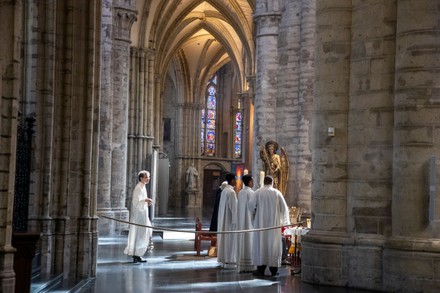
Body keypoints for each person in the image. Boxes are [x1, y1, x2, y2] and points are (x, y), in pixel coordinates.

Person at [249, 175, 290, 277]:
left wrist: (254, 218)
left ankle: (261, 270)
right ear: (272, 182)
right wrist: (284, 222)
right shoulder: (277, 193)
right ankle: (274, 271)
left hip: (261, 224)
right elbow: (284, 208)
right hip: (274, 225)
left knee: (261, 244)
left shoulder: (258, 192)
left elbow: (250, 206)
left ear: (264, 182)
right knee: (273, 245)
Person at [124, 170, 154, 263]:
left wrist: (146, 201)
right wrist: (145, 200)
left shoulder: (142, 186)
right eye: (146, 177)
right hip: (139, 215)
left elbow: (142, 200)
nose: (148, 179)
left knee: (145, 231)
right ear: (141, 178)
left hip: (143, 213)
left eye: (148, 177)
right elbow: (136, 202)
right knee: (140, 233)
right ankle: (136, 254)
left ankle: (138, 254)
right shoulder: (138, 187)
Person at [217, 173, 238, 269]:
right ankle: (230, 258)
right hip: (230, 221)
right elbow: (234, 209)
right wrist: (236, 221)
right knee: (230, 239)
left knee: (224, 239)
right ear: (232, 180)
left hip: (223, 219)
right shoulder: (231, 192)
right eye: (235, 179)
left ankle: (224, 257)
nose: (236, 181)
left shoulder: (224, 190)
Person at [236, 174, 255, 273]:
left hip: (241, 222)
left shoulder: (240, 192)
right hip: (249, 222)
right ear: (249, 182)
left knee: (242, 241)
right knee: (249, 241)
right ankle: (249, 265)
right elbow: (253, 207)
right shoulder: (251, 193)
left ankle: (241, 264)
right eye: (252, 181)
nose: (253, 182)